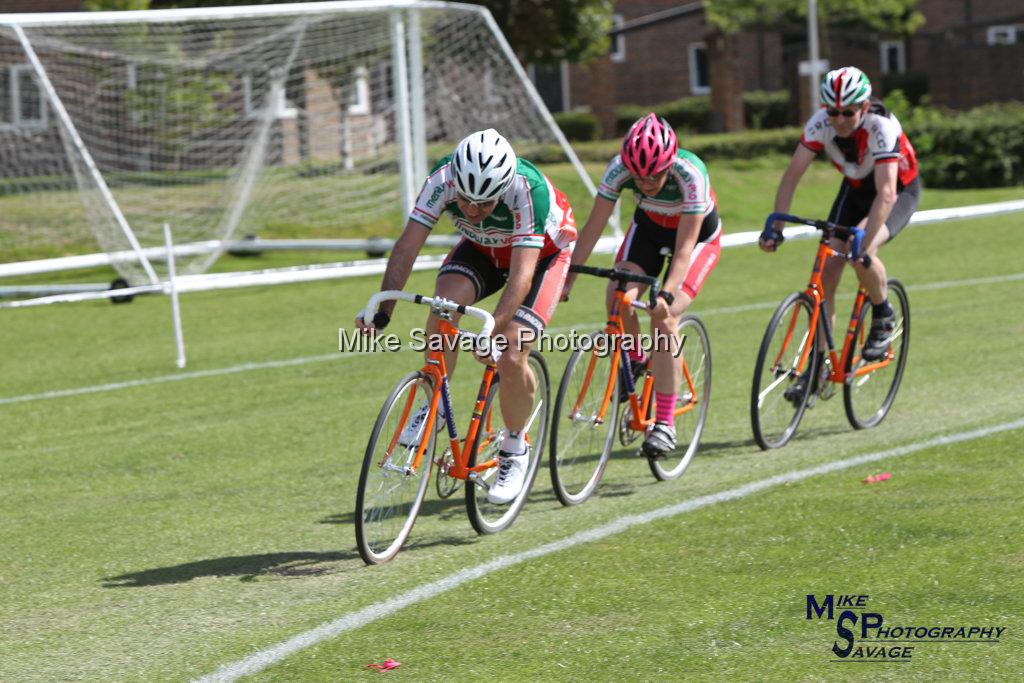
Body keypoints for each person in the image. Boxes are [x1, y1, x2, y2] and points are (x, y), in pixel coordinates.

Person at [355, 128, 576, 504]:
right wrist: (383, 311)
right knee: (444, 306)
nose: (471, 211)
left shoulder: (528, 191)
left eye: (485, 204)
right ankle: (434, 404)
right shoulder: (442, 180)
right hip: (482, 249)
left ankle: (514, 448)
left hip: (542, 259)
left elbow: (522, 276)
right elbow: (408, 245)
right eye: (466, 201)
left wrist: (496, 329)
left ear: (503, 188)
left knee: (510, 350)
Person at [563, 113, 722, 458]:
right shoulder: (618, 169)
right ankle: (635, 361)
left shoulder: (690, 174)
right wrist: (570, 274)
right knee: (618, 296)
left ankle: (665, 424)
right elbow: (593, 225)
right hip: (649, 231)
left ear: (669, 163)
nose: (646, 183)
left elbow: (684, 248)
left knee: (663, 319)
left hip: (695, 239)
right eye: (639, 177)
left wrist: (666, 292)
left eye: (654, 176)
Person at [759, 66, 920, 401]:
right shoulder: (819, 124)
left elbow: (887, 193)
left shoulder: (881, 126)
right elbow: (792, 176)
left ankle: (882, 314)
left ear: (863, 107)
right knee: (827, 272)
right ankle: (816, 368)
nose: (840, 120)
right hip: (857, 189)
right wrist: (775, 226)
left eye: (848, 112)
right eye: (833, 111)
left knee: (859, 253)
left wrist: (864, 242)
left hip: (896, 191)